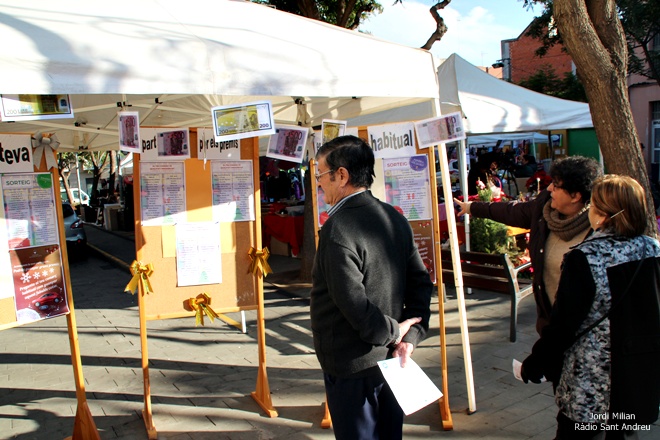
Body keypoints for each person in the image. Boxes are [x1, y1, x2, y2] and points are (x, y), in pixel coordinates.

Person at [310, 135, 433, 439]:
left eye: (320, 174)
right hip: (394, 357)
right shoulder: (393, 217)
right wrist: (410, 336)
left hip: (354, 365)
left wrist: (398, 334)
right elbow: (421, 284)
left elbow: (353, 303)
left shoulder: (338, 230)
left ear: (341, 175)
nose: (318, 183)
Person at [520, 175, 660, 438]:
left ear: (605, 215)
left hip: (591, 378)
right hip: (636, 372)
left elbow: (563, 325)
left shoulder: (585, 257)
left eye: (594, 205)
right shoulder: (651, 248)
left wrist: (536, 363)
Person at [454, 155, 602, 334]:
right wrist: (472, 207)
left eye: (556, 185)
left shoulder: (599, 230)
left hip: (586, 330)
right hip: (549, 322)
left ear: (575, 196)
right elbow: (511, 211)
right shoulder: (544, 208)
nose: (549, 188)